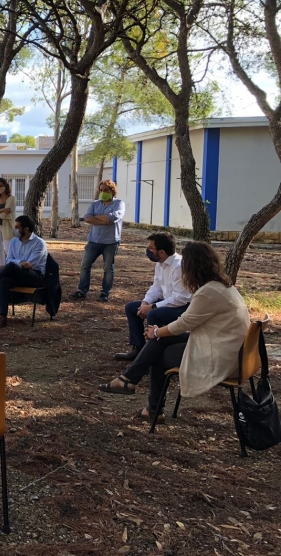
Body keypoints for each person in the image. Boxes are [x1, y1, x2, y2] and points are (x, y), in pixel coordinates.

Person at [97, 241, 249, 421]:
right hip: (229, 349)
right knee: (161, 342)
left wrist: (156, 332)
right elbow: (188, 324)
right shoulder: (222, 285)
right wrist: (160, 333)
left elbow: (184, 323)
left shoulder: (208, 292)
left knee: (159, 354)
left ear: (191, 268)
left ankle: (149, 404)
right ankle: (130, 384)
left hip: (222, 357)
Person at [115, 232, 192, 362]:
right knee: (131, 308)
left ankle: (152, 356)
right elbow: (157, 287)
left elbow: (181, 298)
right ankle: (139, 349)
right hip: (168, 302)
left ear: (161, 252)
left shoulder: (178, 266)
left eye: (151, 248)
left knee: (154, 314)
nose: (148, 251)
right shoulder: (160, 263)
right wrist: (146, 302)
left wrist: (153, 307)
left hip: (183, 306)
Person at [70, 179, 125, 302]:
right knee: (85, 266)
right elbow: (87, 218)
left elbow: (113, 218)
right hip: (93, 241)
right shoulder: (95, 204)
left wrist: (98, 218)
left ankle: (104, 293)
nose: (102, 192)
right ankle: (82, 291)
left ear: (112, 191)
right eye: (101, 190)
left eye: (105, 190)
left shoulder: (119, 204)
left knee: (108, 268)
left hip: (110, 242)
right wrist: (104, 219)